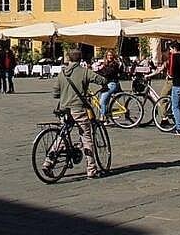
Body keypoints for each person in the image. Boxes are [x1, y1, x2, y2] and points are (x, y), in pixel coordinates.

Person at [43, 49, 108, 179]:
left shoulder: (62, 73)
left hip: (64, 109)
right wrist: (104, 84)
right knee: (86, 137)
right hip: (79, 109)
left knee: (62, 136)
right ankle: (91, 169)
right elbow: (101, 80)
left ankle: (48, 162)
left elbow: (55, 93)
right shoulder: (85, 72)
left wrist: (65, 94)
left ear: (69, 58)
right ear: (80, 59)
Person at [95, 50, 122, 120]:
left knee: (102, 101)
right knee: (104, 100)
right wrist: (94, 72)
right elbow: (102, 71)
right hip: (107, 84)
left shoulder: (115, 64)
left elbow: (107, 72)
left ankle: (103, 118)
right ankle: (106, 117)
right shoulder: (107, 64)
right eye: (108, 55)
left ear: (113, 56)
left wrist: (98, 73)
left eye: (111, 55)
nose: (109, 57)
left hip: (112, 84)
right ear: (106, 56)